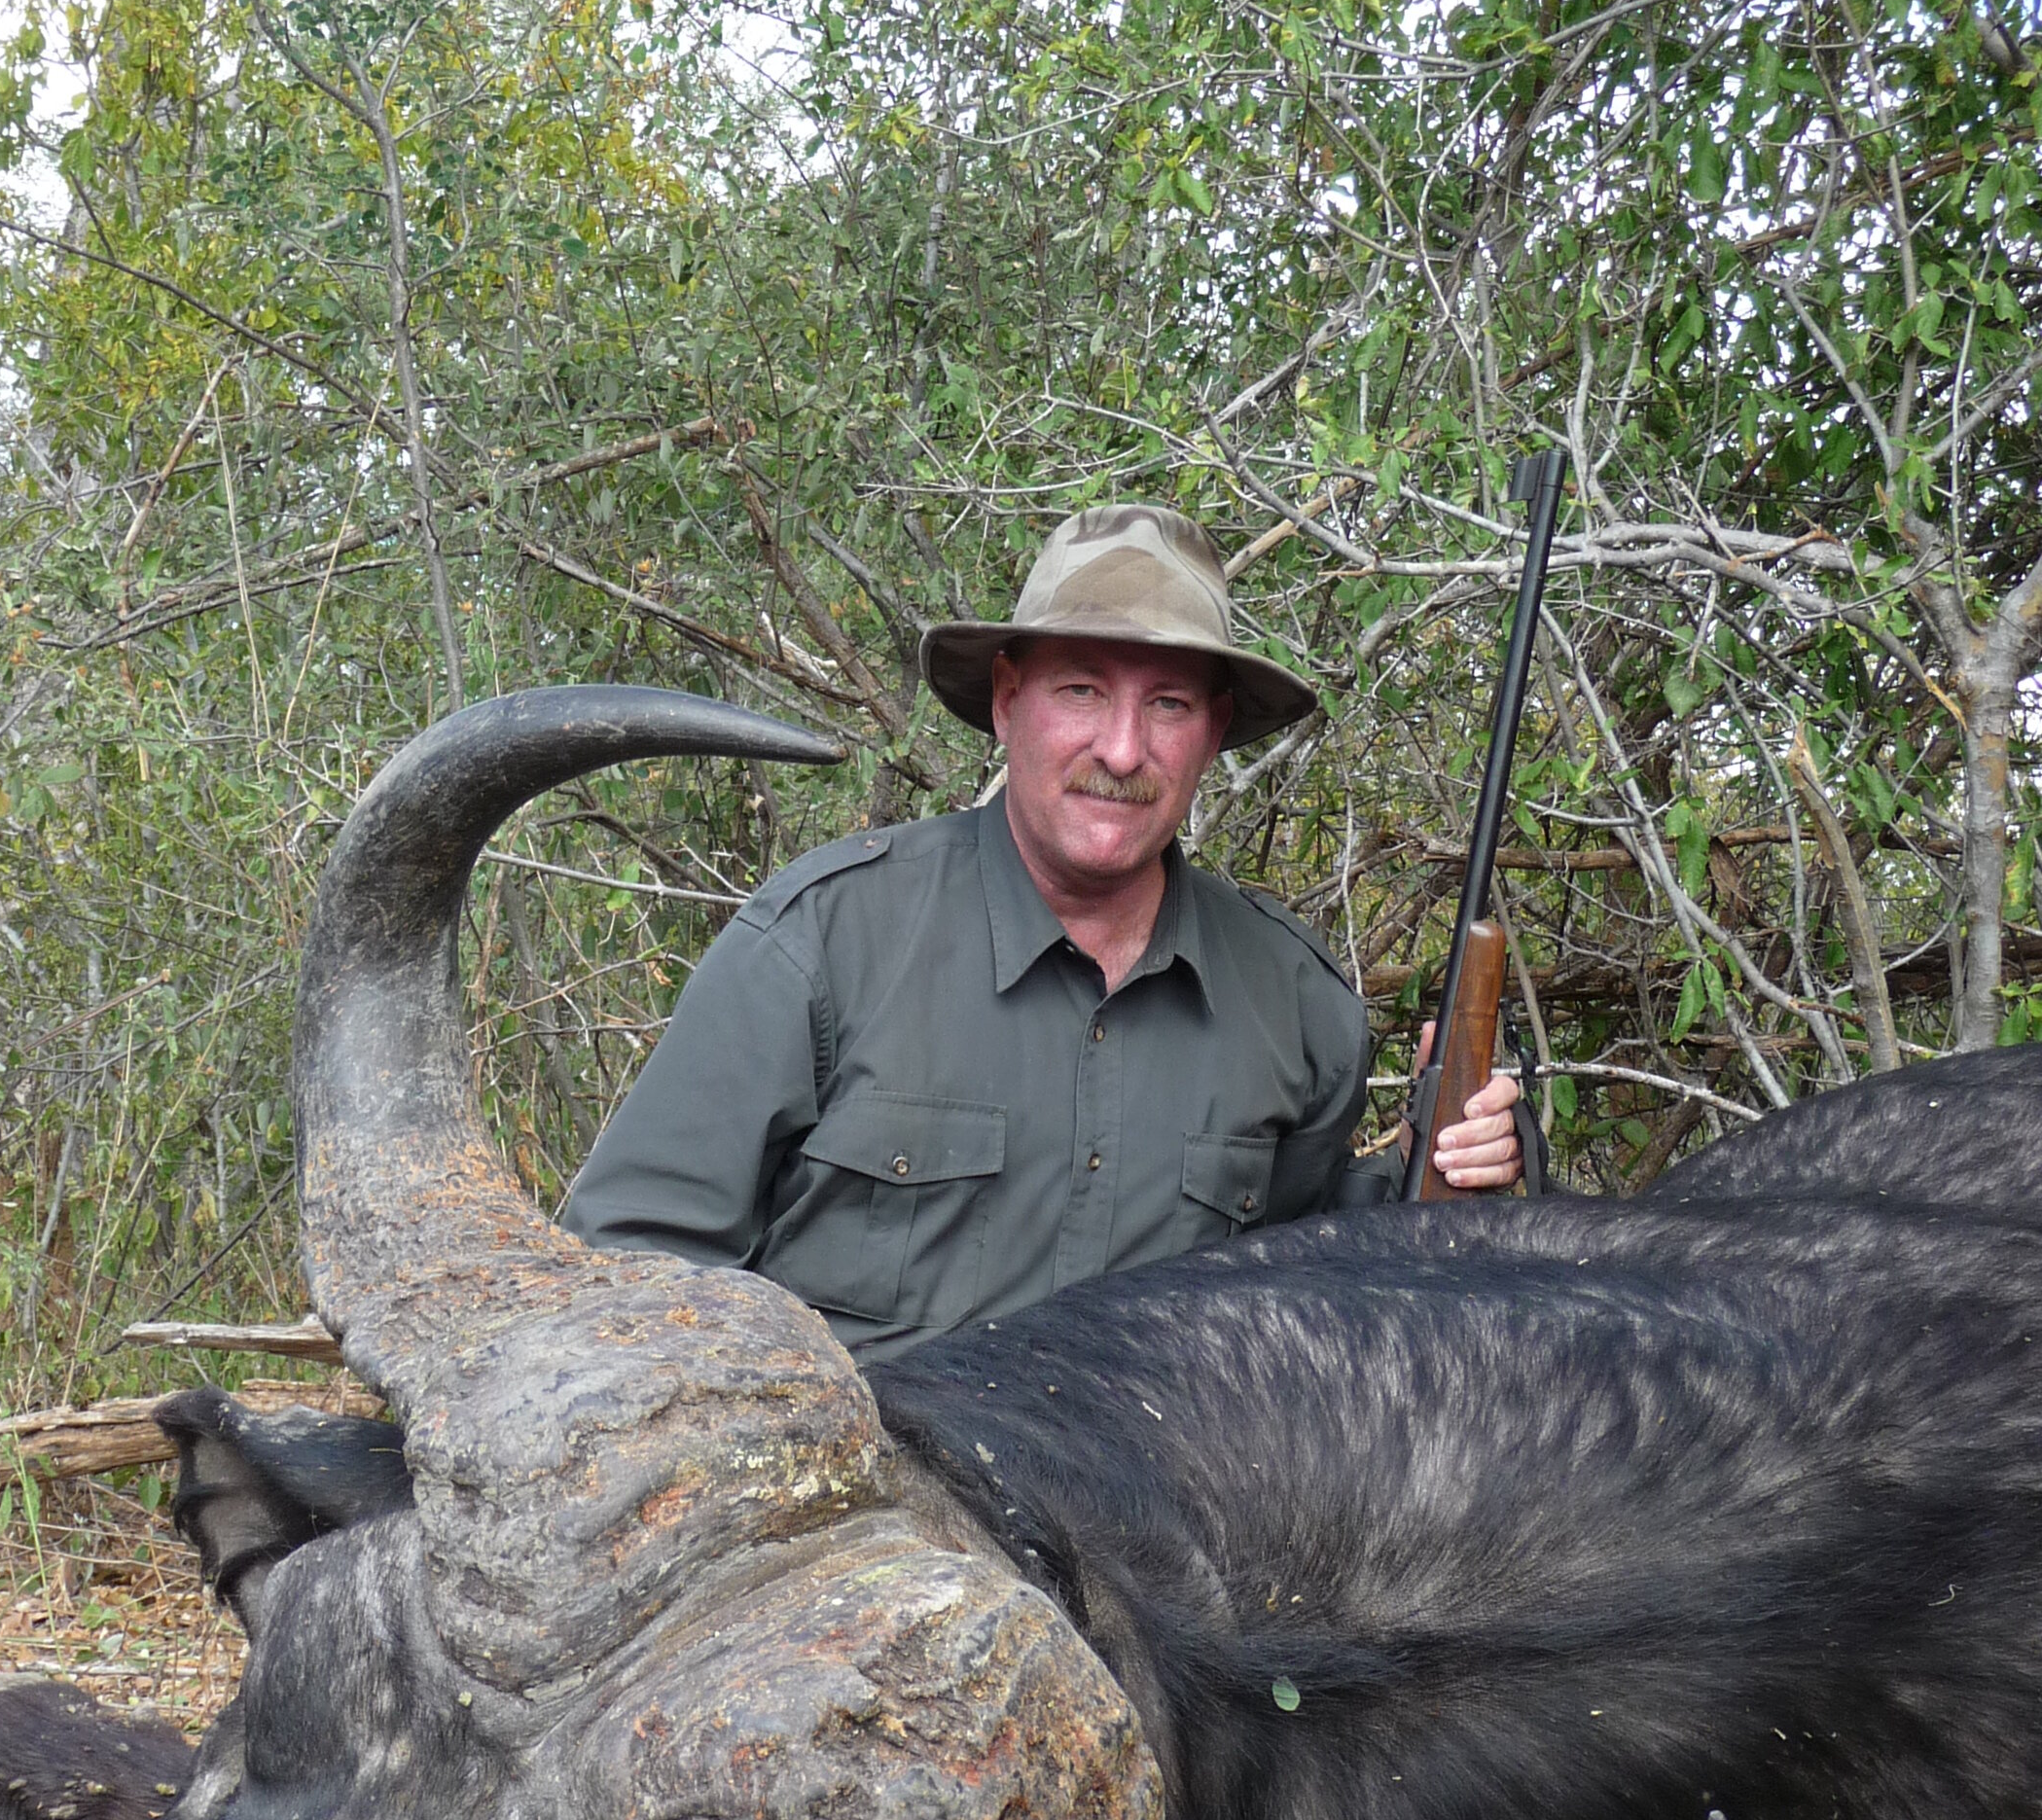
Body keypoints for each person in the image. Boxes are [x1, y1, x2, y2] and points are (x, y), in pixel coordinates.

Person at [561, 503, 1521, 1358]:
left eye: (1170, 704)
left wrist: (1444, 1169)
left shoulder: (1300, 1007)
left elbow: (1303, 1302)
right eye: (1082, 691)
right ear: (1007, 699)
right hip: (848, 1535)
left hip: (1153, 1539)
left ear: (1215, 732)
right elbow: (625, 1282)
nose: (1121, 749)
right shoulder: (822, 941)